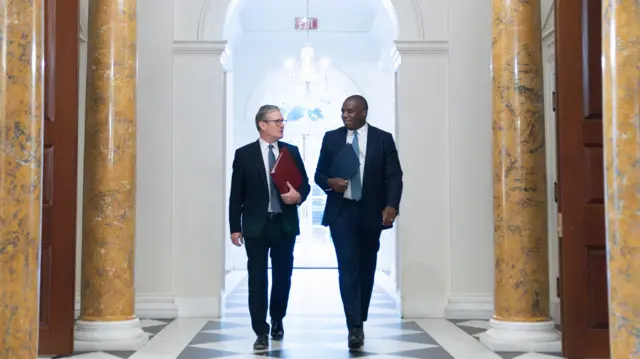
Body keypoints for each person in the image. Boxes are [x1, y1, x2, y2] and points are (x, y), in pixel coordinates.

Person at [314, 95, 403, 349]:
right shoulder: (331, 138)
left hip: (371, 212)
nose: (345, 115)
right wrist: (330, 183)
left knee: (366, 267)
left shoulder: (382, 138)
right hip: (341, 212)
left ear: (364, 112)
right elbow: (319, 173)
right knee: (348, 266)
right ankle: (354, 326)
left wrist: (392, 205)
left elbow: (395, 175)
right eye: (343, 111)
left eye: (350, 111)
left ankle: (359, 316)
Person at [228, 104, 310, 350]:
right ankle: (260, 330)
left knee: (283, 276)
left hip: (284, 225)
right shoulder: (244, 154)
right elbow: (236, 195)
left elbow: (304, 184)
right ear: (262, 125)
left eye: (282, 121)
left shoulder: (291, 152)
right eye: (276, 121)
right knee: (257, 278)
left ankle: (277, 319)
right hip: (256, 226)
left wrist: (299, 196)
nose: (281, 125)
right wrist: (235, 227)